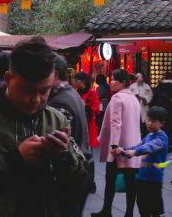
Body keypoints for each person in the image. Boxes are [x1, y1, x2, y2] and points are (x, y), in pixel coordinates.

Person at [0, 37, 89, 217]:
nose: (36, 99)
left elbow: (80, 185)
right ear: (8, 79)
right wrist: (15, 159)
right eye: (27, 90)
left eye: (44, 91)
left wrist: (64, 158)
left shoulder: (56, 119)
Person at [93, 69, 142, 217]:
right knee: (130, 182)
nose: (111, 82)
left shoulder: (117, 98)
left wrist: (114, 145)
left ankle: (106, 210)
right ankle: (129, 213)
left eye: (114, 79)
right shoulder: (133, 98)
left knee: (110, 179)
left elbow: (116, 123)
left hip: (118, 147)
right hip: (133, 146)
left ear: (123, 82)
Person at [48, 55, 91, 217]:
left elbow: (57, 146)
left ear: (55, 74)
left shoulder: (59, 102)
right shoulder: (71, 93)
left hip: (70, 175)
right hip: (81, 168)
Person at [120, 106, 169, 217]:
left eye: (153, 121)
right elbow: (138, 146)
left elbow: (149, 147)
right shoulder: (149, 135)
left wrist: (134, 152)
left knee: (154, 208)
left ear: (162, 123)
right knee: (142, 205)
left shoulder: (162, 138)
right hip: (143, 177)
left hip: (154, 179)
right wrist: (123, 150)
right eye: (148, 120)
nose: (149, 123)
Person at [74, 71, 100, 151]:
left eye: (76, 80)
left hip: (88, 124)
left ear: (82, 81)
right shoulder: (75, 92)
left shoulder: (92, 93)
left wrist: (85, 106)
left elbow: (96, 109)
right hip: (77, 123)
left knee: (87, 150)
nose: (74, 82)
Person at [149, 71, 172, 141]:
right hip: (168, 108)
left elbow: (154, 98)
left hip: (159, 108)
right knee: (167, 125)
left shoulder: (159, 85)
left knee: (159, 124)